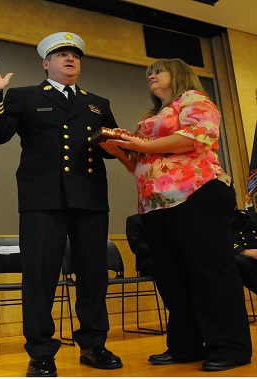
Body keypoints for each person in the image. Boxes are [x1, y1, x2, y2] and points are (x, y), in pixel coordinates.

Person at [0, 32, 122, 377]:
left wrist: (123, 144)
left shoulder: (96, 102)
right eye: (61, 54)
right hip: (42, 200)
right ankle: (41, 352)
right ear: (46, 63)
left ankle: (93, 345)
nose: (70, 58)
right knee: (40, 278)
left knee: (93, 276)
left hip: (89, 199)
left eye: (75, 54)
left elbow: (114, 147)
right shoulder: (25, 96)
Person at [100, 58, 252, 371]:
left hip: (197, 193)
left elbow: (197, 137)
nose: (151, 76)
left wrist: (141, 143)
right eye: (148, 74)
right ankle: (186, 346)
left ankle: (230, 348)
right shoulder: (151, 116)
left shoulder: (194, 100)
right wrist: (125, 155)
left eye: (158, 71)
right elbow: (147, 165)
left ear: (178, 74)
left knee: (210, 272)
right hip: (156, 203)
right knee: (172, 277)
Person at [233, 207, 257, 294]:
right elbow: (222, 242)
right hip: (242, 256)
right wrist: (246, 252)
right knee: (240, 261)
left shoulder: (250, 215)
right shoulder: (217, 223)